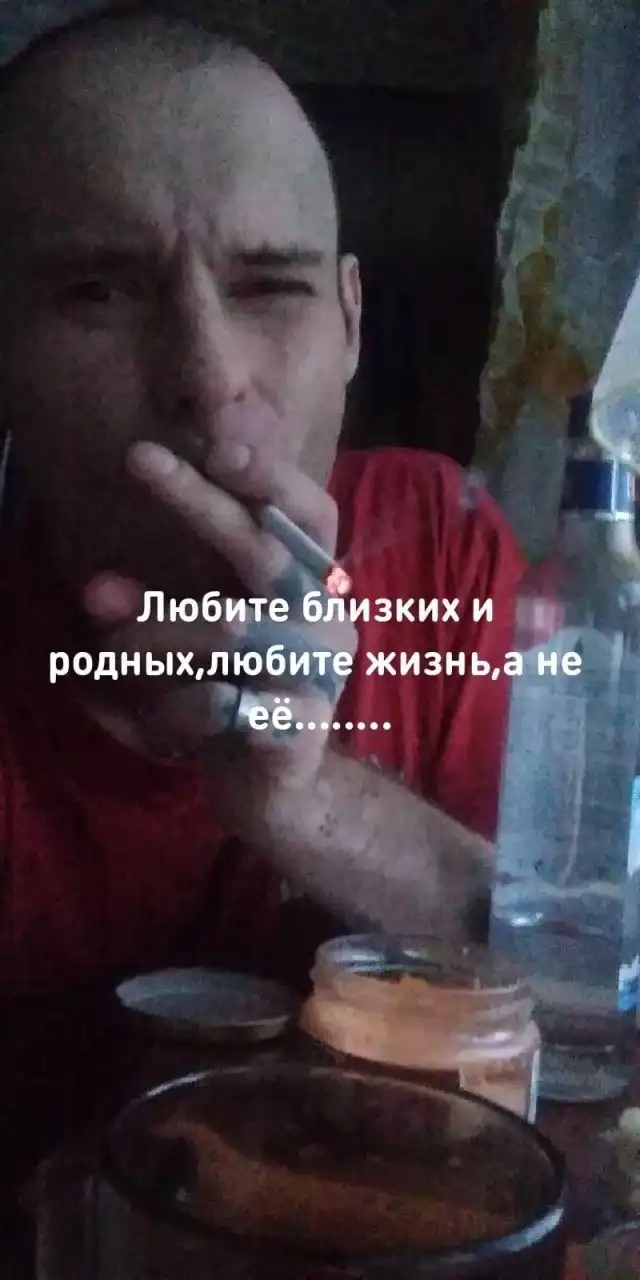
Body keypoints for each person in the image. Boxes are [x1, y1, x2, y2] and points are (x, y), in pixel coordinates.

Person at [0, 4, 525, 1185]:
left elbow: (588, 996)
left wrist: (309, 798)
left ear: (351, 323)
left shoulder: (444, 544)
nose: (205, 374)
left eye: (270, 287)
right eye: (96, 291)